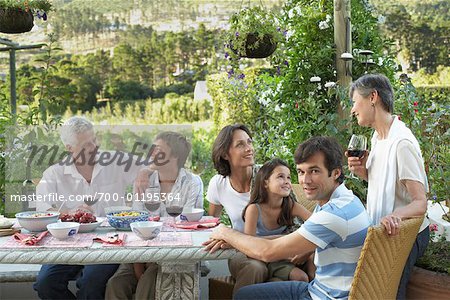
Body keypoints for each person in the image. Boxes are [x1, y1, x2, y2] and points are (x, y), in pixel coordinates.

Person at [205, 136, 371, 299]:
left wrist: (225, 232)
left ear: (335, 173)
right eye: (301, 171)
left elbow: (267, 252)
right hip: (318, 288)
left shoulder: (334, 213)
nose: (305, 180)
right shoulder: (344, 200)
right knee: (245, 294)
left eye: (314, 171)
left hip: (327, 296)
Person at [34, 116, 142, 300]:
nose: (93, 148)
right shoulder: (54, 173)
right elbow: (42, 210)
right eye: (86, 145)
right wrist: (69, 214)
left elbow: (153, 163)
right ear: (69, 148)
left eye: (94, 140)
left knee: (91, 283)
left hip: (109, 241)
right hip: (68, 243)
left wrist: (145, 173)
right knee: (45, 283)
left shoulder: (115, 161)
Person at [347, 73, 429, 299]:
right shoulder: (377, 137)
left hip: (405, 234)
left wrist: (395, 215)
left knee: (389, 293)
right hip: (385, 231)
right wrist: (363, 172)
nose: (353, 109)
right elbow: (386, 183)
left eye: (355, 102)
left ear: (373, 97)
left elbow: (420, 202)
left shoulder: (401, 143)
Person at [105, 131, 203, 300]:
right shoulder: (145, 181)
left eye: (158, 149)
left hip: (174, 254)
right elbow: (135, 223)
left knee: (148, 282)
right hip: (139, 253)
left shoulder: (192, 182)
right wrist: (138, 265)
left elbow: (187, 225)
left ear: (174, 156)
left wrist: (152, 260)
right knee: (115, 285)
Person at [206, 124, 269, 294]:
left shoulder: (268, 176)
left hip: (274, 248)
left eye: (249, 142)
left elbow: (292, 222)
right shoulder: (218, 183)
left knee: (279, 274)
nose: (249, 148)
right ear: (225, 154)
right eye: (240, 144)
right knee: (256, 268)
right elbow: (211, 223)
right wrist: (225, 238)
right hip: (241, 252)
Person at [242, 158, 314, 282]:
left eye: (289, 178)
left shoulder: (290, 205)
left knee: (314, 258)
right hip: (271, 259)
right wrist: (286, 238)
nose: (286, 181)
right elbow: (249, 245)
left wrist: (307, 250)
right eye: (281, 176)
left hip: (291, 254)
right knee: (301, 277)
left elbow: (317, 224)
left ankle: (318, 290)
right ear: (265, 183)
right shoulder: (254, 209)